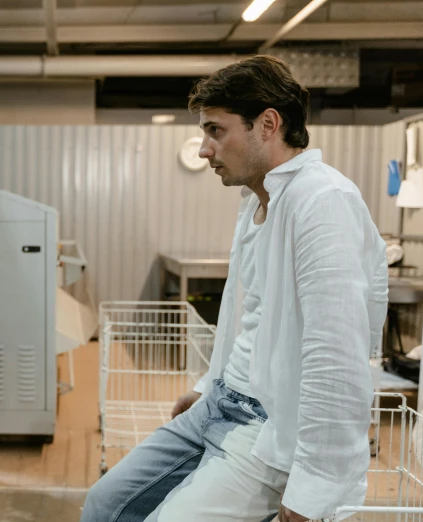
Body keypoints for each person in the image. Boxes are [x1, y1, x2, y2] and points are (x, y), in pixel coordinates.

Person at [80, 55, 389, 522]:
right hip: (221, 403)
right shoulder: (257, 202)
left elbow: (337, 356)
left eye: (215, 130)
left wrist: (314, 485)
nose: (205, 149)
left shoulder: (322, 202)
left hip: (268, 427)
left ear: (268, 124)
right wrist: (209, 384)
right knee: (106, 505)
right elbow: (249, 317)